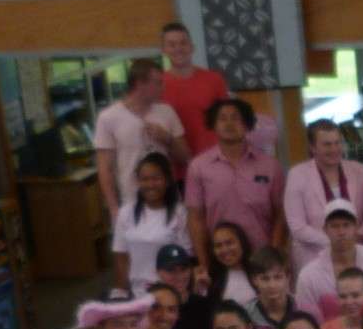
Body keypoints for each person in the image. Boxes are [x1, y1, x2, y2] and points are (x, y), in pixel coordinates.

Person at [182, 96, 277, 259]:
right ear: (213, 124)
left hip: (262, 256)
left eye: (235, 118)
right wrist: (204, 262)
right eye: (222, 119)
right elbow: (195, 219)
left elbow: (280, 214)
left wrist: (274, 253)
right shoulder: (198, 167)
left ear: (247, 124)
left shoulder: (270, 166)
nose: (229, 124)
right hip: (221, 258)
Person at [93, 59, 187, 221]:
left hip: (168, 201)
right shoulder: (108, 117)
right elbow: (104, 169)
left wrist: (167, 139)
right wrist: (114, 209)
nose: (163, 88)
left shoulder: (166, 112)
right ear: (140, 84)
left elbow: (186, 157)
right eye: (158, 83)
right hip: (132, 202)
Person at [295, 197, 363, 324]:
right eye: (335, 226)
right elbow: (306, 323)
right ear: (325, 230)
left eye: (346, 225)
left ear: (356, 227)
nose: (341, 232)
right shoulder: (308, 276)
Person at [283, 119, 363, 274]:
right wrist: (338, 242)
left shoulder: (359, 171)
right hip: (314, 259)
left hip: (356, 255)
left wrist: (358, 236)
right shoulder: (297, 175)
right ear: (312, 147)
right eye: (327, 144)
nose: (334, 149)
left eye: (337, 143)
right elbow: (297, 227)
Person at [112, 152, 191, 292]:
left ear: (167, 180)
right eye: (145, 179)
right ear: (138, 182)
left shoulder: (179, 213)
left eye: (156, 178)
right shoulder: (126, 213)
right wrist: (121, 293)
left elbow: (187, 257)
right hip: (137, 292)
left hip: (170, 294)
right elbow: (121, 257)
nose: (150, 184)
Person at [156, 21, 229, 160]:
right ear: (163, 50)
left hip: (212, 162)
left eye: (183, 43)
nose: (178, 48)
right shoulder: (157, 85)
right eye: (171, 44)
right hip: (173, 168)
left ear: (192, 47)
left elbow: (227, 120)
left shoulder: (214, 80)